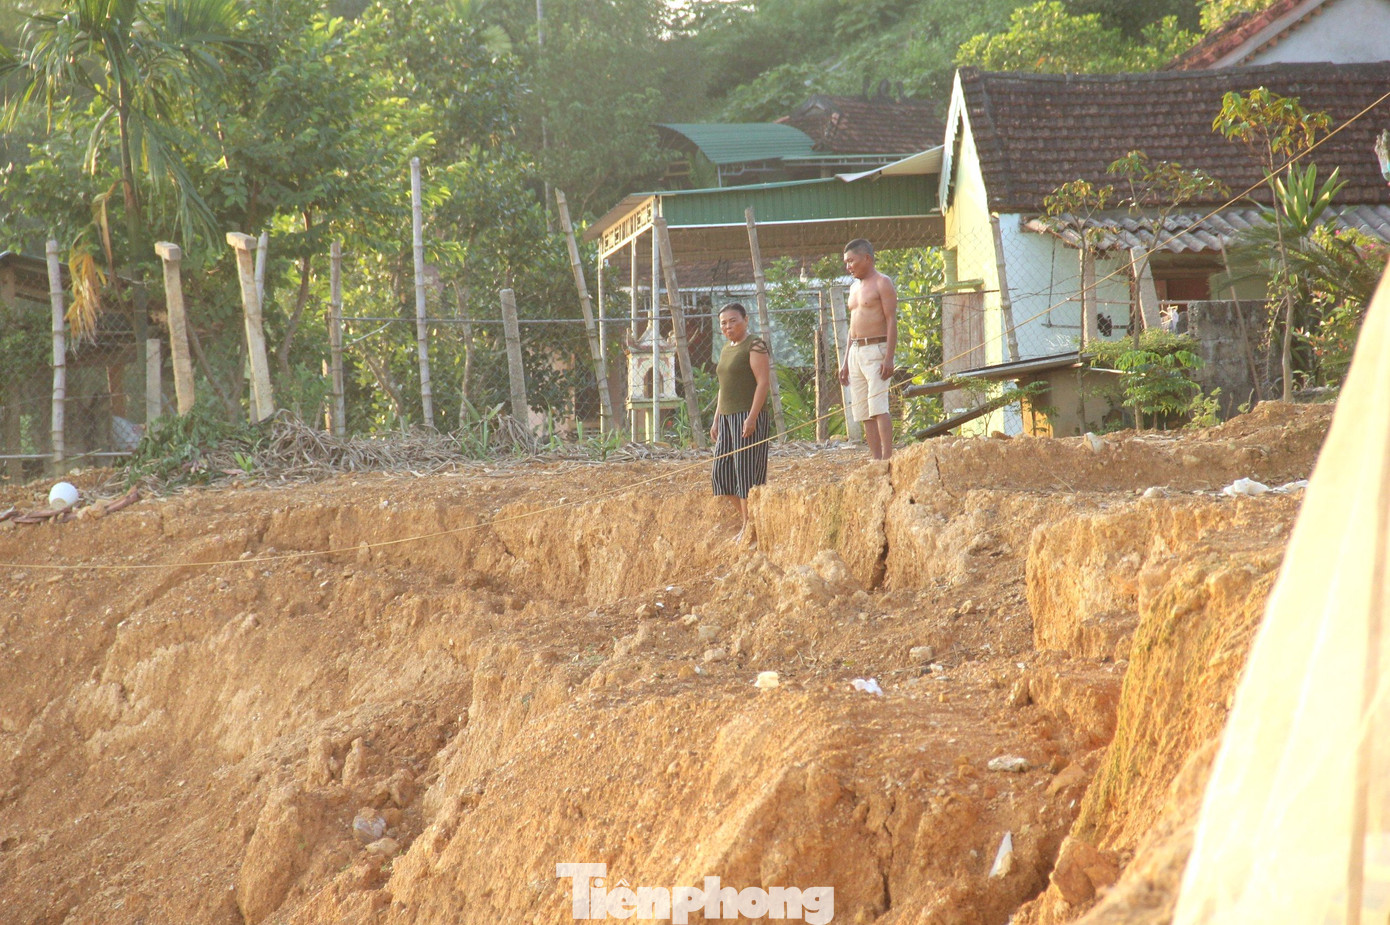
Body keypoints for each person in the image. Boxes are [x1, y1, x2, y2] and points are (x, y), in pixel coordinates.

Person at [709, 302, 771, 543]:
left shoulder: (754, 344)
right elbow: (723, 388)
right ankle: (750, 521)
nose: (728, 326)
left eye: (733, 320)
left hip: (747, 416)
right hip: (726, 417)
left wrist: (752, 418)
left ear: (746, 320)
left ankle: (749, 528)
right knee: (721, 474)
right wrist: (716, 419)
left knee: (745, 473)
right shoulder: (726, 348)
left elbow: (763, 383)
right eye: (723, 323)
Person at [838, 238, 898, 460]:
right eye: (846, 262)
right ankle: (875, 460)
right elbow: (852, 329)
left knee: (878, 406)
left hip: (877, 350)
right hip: (855, 352)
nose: (848, 266)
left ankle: (887, 459)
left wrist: (889, 358)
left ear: (867, 258)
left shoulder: (883, 282)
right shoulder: (853, 288)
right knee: (864, 411)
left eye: (851, 261)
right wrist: (845, 362)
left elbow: (892, 320)